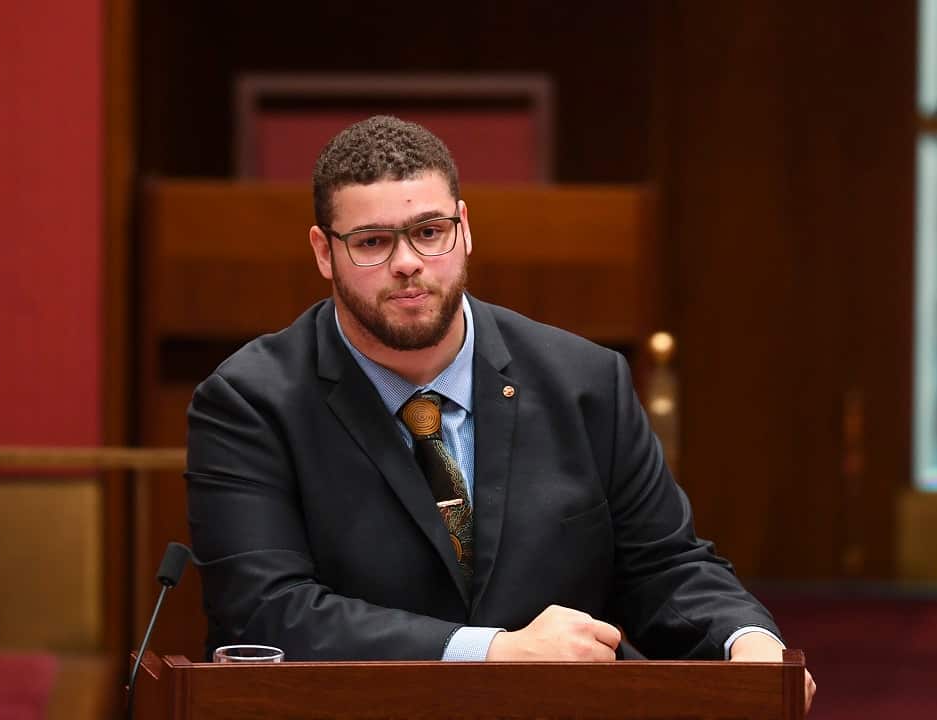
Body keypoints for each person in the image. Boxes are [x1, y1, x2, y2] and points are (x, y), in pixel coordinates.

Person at [186, 115, 814, 706]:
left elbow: (665, 564)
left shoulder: (584, 381)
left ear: (464, 227)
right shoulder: (249, 403)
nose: (407, 263)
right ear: (324, 252)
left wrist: (747, 640)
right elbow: (266, 612)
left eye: (429, 232)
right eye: (372, 242)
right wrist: (494, 653)